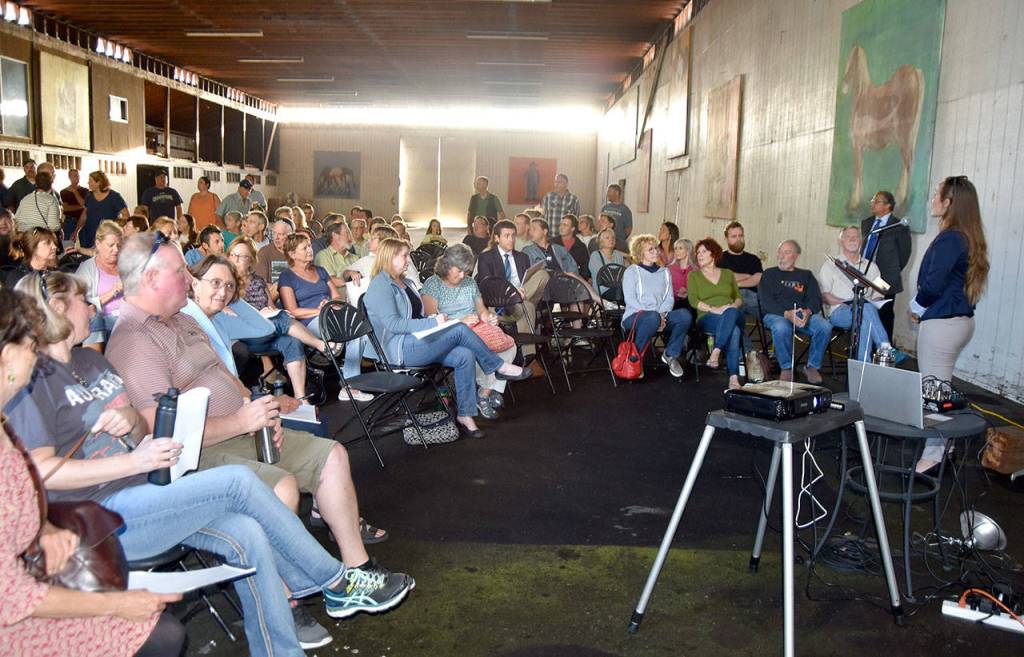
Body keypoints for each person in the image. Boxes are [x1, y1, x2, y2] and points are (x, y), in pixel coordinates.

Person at [8, 274, 412, 654]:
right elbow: (40, 472)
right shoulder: (34, 380)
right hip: (98, 515)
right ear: (57, 307)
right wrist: (133, 461)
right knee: (236, 482)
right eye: (81, 300)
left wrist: (130, 424)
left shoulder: (91, 363)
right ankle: (335, 580)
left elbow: (133, 428)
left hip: (148, 489)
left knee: (248, 531)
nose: (91, 305)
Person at [105, 233, 409, 586]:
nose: (188, 279)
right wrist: (240, 421)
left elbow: (224, 376)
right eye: (179, 271)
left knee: (333, 456)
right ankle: (288, 594)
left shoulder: (182, 321)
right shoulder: (135, 339)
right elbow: (161, 430)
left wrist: (258, 410)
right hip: (196, 454)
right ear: (150, 278)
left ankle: (358, 567)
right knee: (282, 486)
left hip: (241, 430)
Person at [0, 286, 185, 657]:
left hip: (23, 583)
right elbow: (11, 599)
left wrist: (44, 528)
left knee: (164, 633)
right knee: (162, 635)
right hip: (13, 620)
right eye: (29, 346)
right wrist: (118, 604)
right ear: (7, 357)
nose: (36, 358)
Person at [363, 238, 531, 439]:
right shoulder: (380, 284)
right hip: (396, 349)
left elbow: (420, 315)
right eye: (405, 255)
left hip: (417, 340)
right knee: (459, 329)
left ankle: (466, 415)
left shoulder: (405, 282)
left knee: (464, 355)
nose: (409, 260)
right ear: (389, 257)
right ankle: (498, 366)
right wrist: (435, 323)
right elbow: (394, 324)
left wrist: (433, 321)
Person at [911, 176, 989, 472]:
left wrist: (916, 305)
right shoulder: (966, 236)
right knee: (940, 384)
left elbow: (933, 283)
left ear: (949, 203)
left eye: (936, 195)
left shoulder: (951, 238)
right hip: (959, 323)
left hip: (942, 325)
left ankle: (934, 453)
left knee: (932, 391)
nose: (932, 199)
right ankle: (948, 443)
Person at [183, 255, 329, 403]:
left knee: (290, 339)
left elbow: (264, 328)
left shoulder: (219, 318)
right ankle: (320, 346)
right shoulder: (184, 319)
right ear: (195, 284)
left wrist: (233, 298)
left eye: (229, 285)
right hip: (210, 408)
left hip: (233, 401)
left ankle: (301, 397)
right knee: (283, 321)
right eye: (215, 283)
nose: (222, 292)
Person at [422, 244, 516, 418]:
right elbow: (431, 319)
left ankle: (484, 393)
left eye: (466, 271)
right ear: (446, 266)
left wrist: (488, 318)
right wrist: (460, 321)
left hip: (476, 327)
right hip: (449, 332)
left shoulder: (470, 282)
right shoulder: (432, 284)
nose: (463, 275)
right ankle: (489, 386)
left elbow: (481, 310)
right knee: (474, 350)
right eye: (459, 271)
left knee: (509, 345)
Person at [476, 220, 549, 371]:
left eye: (513, 236)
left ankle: (527, 359)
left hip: (519, 302)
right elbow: (486, 285)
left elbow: (527, 283)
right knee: (527, 306)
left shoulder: (522, 257)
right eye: (507, 236)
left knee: (542, 274)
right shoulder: (486, 257)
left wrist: (520, 292)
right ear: (497, 238)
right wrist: (513, 291)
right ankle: (530, 359)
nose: (511, 239)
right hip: (498, 305)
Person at [758, 240, 830, 384]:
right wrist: (787, 314)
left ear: (796, 255)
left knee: (824, 326)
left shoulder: (806, 275)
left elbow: (815, 299)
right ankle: (786, 368)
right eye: (780, 252)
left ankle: (812, 366)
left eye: (787, 252)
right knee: (781, 327)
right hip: (777, 314)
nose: (781, 256)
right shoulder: (769, 274)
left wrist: (808, 311)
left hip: (802, 314)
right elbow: (766, 302)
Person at [620, 234, 691, 379]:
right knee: (651, 317)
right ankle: (635, 359)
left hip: (660, 316)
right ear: (640, 253)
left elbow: (669, 298)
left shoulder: (665, 272)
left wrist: (662, 316)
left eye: (656, 249)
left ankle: (670, 354)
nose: (655, 252)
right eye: (650, 250)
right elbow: (630, 300)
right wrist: (655, 316)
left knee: (684, 315)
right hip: (635, 316)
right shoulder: (631, 271)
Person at [818, 226, 890, 361]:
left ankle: (863, 367)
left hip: (865, 312)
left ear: (861, 241)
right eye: (847, 237)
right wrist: (842, 302)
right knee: (865, 311)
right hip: (840, 311)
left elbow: (880, 292)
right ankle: (885, 348)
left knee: (864, 316)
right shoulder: (830, 264)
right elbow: (824, 295)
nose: (852, 239)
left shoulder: (872, 267)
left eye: (855, 237)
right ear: (840, 241)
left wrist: (877, 299)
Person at [687, 238, 744, 389]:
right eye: (698, 252)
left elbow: (738, 298)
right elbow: (693, 300)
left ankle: (716, 351)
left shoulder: (727, 273)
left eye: (703, 252)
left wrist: (730, 307)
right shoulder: (693, 276)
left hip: (731, 313)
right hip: (707, 317)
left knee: (731, 312)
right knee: (735, 331)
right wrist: (714, 309)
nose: (699, 255)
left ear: (713, 254)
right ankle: (733, 378)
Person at [862, 190, 911, 339]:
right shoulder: (867, 222)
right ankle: (864, 345)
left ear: (888, 205)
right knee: (865, 310)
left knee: (884, 312)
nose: (873, 203)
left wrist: (891, 271)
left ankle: (884, 347)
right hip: (865, 274)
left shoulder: (899, 226)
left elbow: (904, 254)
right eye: (873, 200)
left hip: (885, 278)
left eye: (877, 201)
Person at [278, 233, 341, 337]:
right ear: (292, 254)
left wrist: (329, 302)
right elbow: (292, 311)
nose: (310, 250)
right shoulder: (286, 276)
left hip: (331, 313)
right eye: (304, 248)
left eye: (310, 246)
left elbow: (337, 296)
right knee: (338, 328)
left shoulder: (321, 270)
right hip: (309, 322)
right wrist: (320, 311)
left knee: (360, 330)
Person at [74, 220, 125, 350]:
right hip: (103, 323)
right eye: (111, 245)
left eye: (119, 245)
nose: (116, 250)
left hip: (128, 319)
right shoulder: (87, 268)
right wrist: (113, 291)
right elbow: (82, 306)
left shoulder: (126, 266)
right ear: (98, 244)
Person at [719, 221, 763, 358]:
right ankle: (749, 354)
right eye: (734, 236)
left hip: (753, 298)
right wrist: (749, 277)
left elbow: (759, 279)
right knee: (732, 320)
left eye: (740, 235)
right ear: (726, 239)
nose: (738, 239)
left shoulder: (753, 259)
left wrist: (736, 282)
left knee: (775, 319)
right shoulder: (720, 258)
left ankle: (780, 360)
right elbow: (724, 280)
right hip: (731, 298)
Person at [74, 171, 130, 251]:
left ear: (99, 182)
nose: (88, 183)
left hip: (106, 236)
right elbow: (84, 214)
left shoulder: (114, 197)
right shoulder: (89, 196)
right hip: (88, 236)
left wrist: (116, 228)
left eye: (90, 181)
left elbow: (126, 216)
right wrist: (76, 229)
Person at [315, 220, 362, 301]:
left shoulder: (355, 258)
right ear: (335, 235)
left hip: (356, 300)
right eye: (347, 233)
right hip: (336, 302)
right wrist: (352, 282)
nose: (351, 237)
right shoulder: (323, 256)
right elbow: (330, 280)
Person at [589, 228, 627, 297]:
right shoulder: (595, 255)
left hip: (618, 289)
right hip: (603, 290)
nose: (611, 240)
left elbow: (623, 275)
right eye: (607, 238)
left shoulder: (618, 255)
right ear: (601, 241)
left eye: (613, 238)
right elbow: (601, 275)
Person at [256, 218, 294, 284]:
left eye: (281, 234)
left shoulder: (299, 251)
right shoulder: (264, 253)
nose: (276, 238)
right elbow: (261, 284)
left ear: (291, 235)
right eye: (274, 233)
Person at [552, 214, 590, 279]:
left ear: (573, 228)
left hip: (575, 280)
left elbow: (585, 269)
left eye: (565, 225)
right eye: (561, 224)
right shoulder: (552, 243)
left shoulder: (581, 246)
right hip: (555, 279)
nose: (561, 227)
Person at [59, 168, 87, 244]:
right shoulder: (64, 192)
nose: (77, 178)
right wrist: (82, 207)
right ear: (69, 177)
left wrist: (75, 192)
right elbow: (66, 208)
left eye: (78, 176)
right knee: (68, 243)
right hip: (70, 221)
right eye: (74, 176)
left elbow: (84, 204)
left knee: (83, 243)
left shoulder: (85, 191)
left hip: (83, 221)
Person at [667, 238, 696, 309]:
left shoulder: (695, 270)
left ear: (688, 251)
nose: (677, 251)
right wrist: (677, 293)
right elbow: (665, 289)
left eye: (680, 248)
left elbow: (698, 290)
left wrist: (687, 292)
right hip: (673, 303)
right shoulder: (669, 269)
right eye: (675, 248)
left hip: (691, 303)